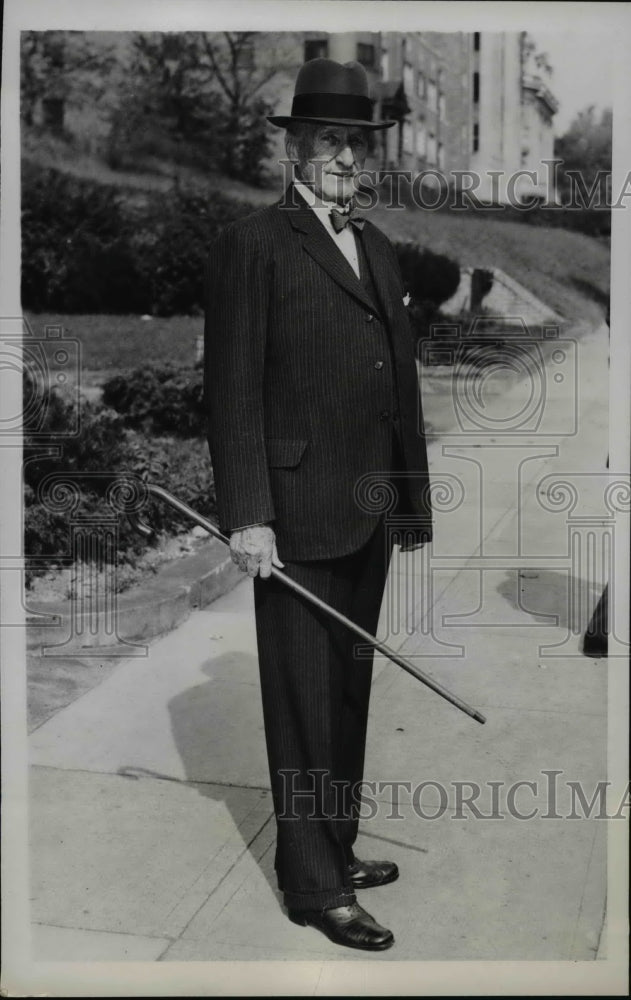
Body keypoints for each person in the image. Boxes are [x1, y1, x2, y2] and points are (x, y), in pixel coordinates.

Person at [204, 57, 432, 952]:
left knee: (344, 687)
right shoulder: (253, 245)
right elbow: (232, 392)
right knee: (299, 698)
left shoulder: (373, 243)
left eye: (357, 144)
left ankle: (334, 844)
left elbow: (397, 385)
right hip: (293, 513)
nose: (346, 158)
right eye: (329, 141)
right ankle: (313, 887)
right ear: (295, 148)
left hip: (367, 507)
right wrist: (247, 514)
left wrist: (408, 504)